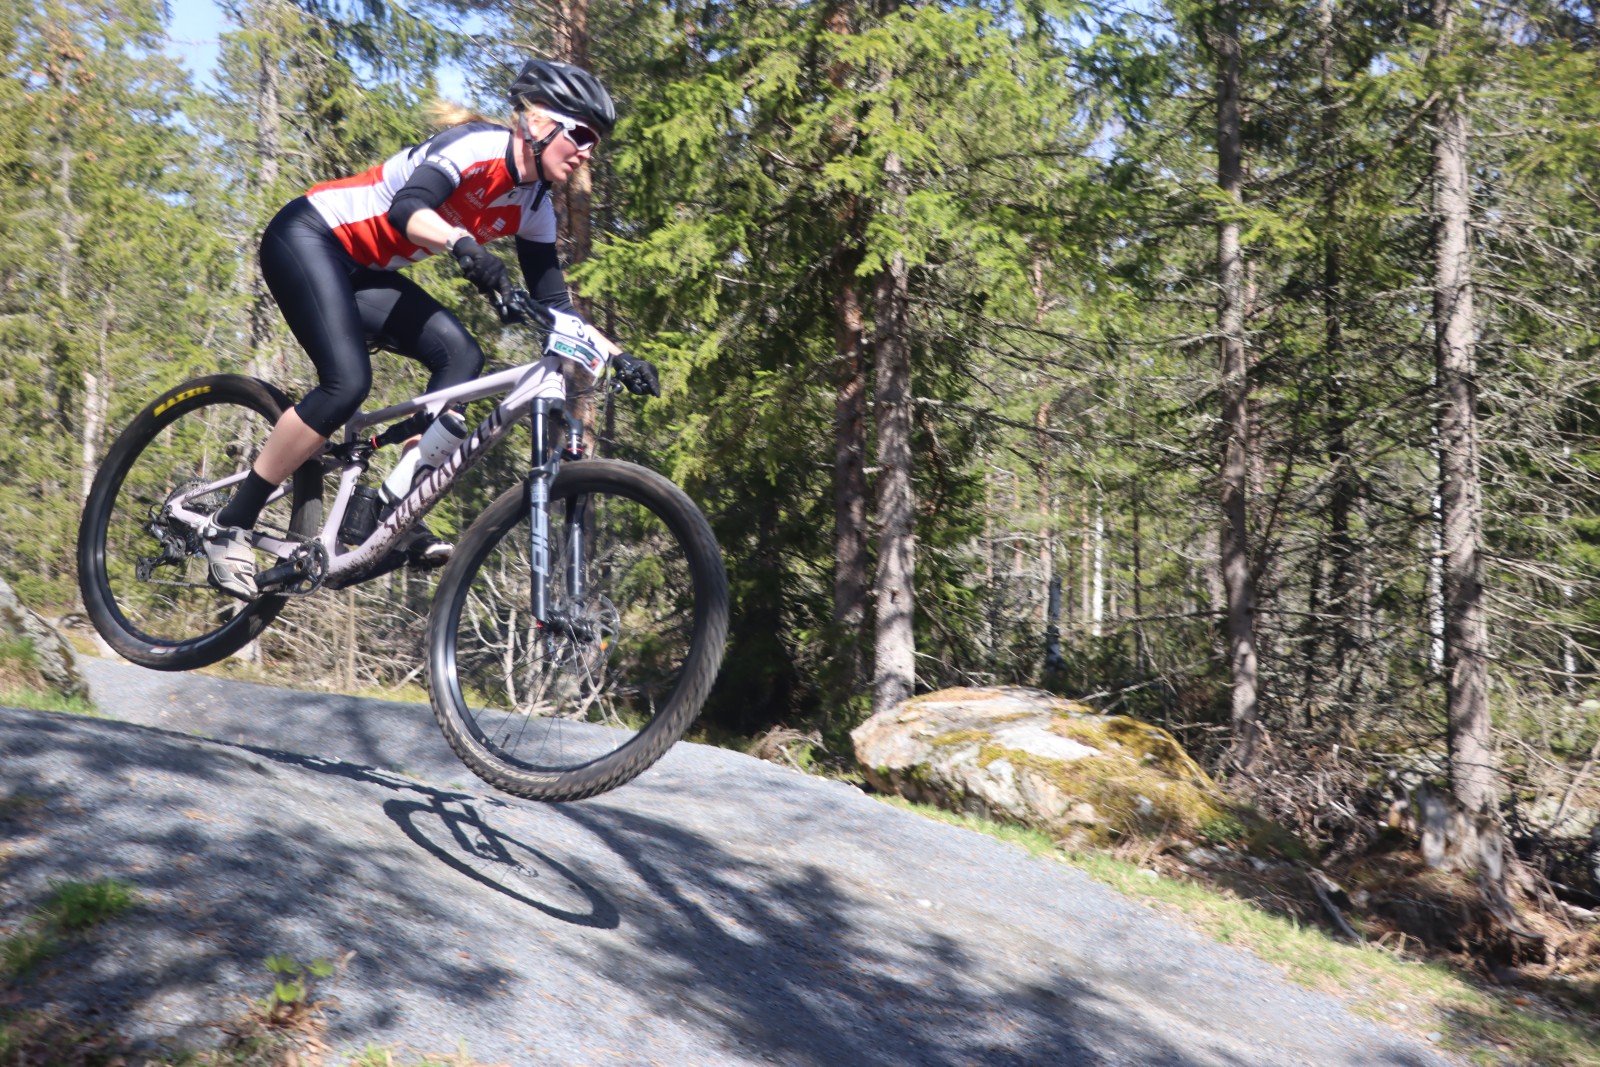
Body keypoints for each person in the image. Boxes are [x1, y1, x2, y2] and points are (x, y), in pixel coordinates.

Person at [204, 59, 657, 600]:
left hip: (364, 272)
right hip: (308, 237)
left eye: (595, 143)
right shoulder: (477, 147)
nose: (587, 152)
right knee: (346, 384)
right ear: (538, 123)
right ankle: (230, 523)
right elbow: (407, 210)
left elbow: (556, 304)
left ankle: (385, 506)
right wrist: (463, 245)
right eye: (581, 134)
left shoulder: (535, 206)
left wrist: (616, 356)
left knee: (460, 357)